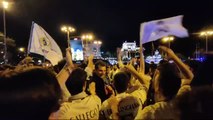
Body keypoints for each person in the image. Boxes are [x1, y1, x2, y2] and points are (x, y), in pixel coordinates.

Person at [135, 46, 194, 120]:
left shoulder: (151, 112)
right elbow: (190, 78)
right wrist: (173, 57)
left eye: (155, 78)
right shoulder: (182, 102)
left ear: (158, 88)